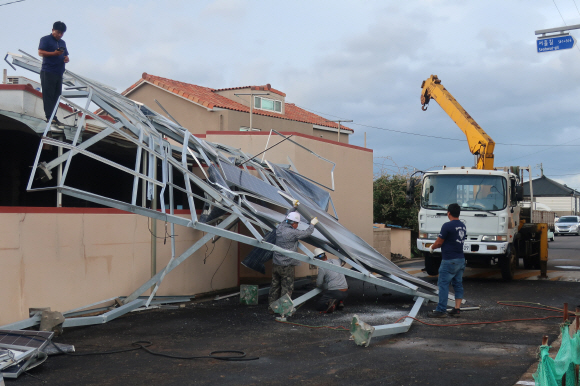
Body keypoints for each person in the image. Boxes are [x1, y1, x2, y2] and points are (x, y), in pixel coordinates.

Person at [268, 203, 318, 314]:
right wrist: (312, 224)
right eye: (297, 223)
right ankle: (283, 310)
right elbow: (307, 233)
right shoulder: (292, 232)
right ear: (293, 223)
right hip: (286, 265)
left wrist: (294, 208)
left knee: (275, 285)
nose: (297, 226)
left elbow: (287, 215)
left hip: (276, 262)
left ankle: (272, 308)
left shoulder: (280, 227)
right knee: (287, 288)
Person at [427, 203, 466, 318]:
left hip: (449, 260)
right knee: (458, 284)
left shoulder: (447, 226)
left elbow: (439, 242)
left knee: (443, 284)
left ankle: (441, 310)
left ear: (448, 213)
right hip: (460, 259)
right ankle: (457, 309)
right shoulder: (463, 225)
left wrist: (431, 248)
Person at [38, 21, 69, 124]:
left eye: (62, 33)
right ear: (53, 30)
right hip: (48, 71)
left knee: (57, 95)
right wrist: (54, 53)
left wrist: (66, 58)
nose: (60, 35)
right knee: (48, 95)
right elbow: (40, 52)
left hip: (59, 72)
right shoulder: (45, 39)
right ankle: (49, 117)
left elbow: (66, 55)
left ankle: (53, 117)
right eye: (58, 32)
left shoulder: (62, 42)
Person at [313, 248, 348, 313]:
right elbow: (343, 258)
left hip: (336, 292)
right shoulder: (336, 261)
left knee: (319, 306)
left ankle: (331, 304)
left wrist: (323, 287)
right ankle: (340, 302)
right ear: (326, 256)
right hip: (345, 291)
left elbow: (319, 283)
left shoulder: (322, 267)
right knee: (333, 291)